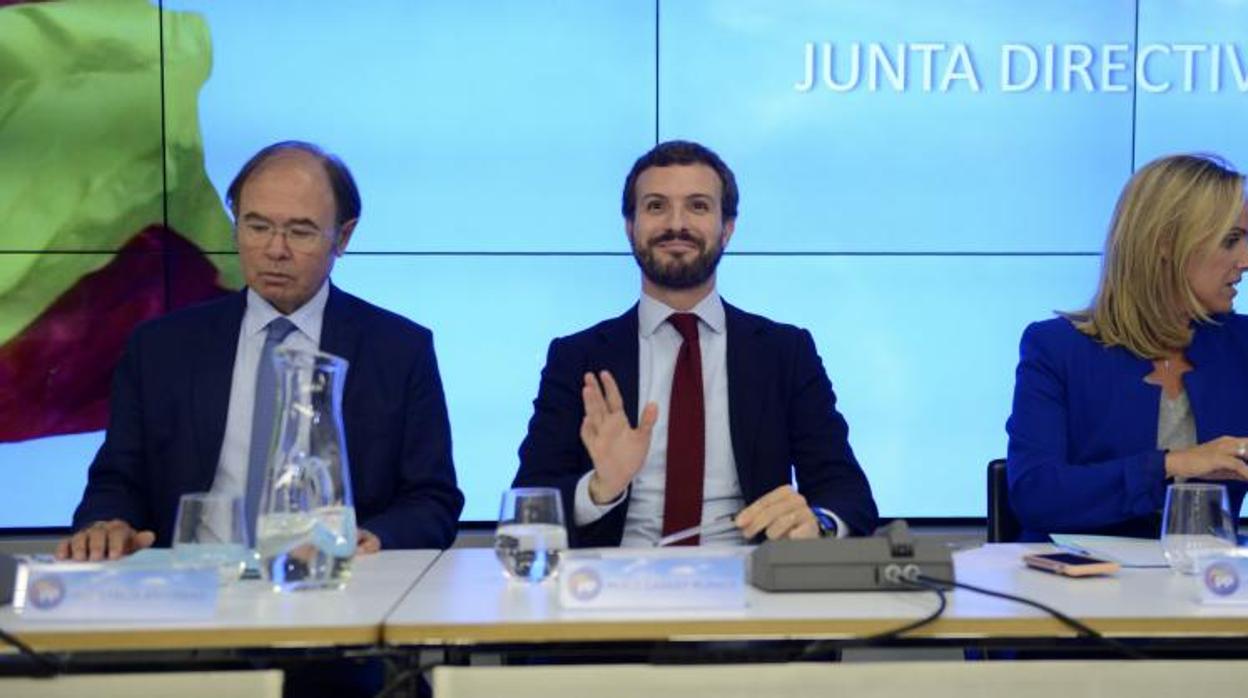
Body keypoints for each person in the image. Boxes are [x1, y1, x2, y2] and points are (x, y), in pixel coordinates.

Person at [58, 141, 463, 560]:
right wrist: (106, 523)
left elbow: (433, 500)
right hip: (194, 586)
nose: (275, 250)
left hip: (333, 587)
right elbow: (116, 481)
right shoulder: (161, 348)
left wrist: (375, 537)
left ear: (343, 236)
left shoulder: (398, 350)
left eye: (300, 231)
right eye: (256, 226)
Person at [514, 140, 878, 547]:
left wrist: (818, 522)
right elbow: (528, 502)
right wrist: (600, 488)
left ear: (728, 228)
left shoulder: (784, 352)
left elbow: (848, 494)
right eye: (655, 206)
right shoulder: (577, 356)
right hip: (611, 591)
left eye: (698, 206)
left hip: (752, 586)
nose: (676, 224)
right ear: (629, 226)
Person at [1007, 153, 1248, 540]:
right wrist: (1174, 464)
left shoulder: (1241, 346)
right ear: (1166, 243)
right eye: (1231, 241)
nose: (1246, 260)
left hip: (1207, 584)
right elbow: (1037, 494)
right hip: (1078, 588)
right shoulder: (1056, 348)